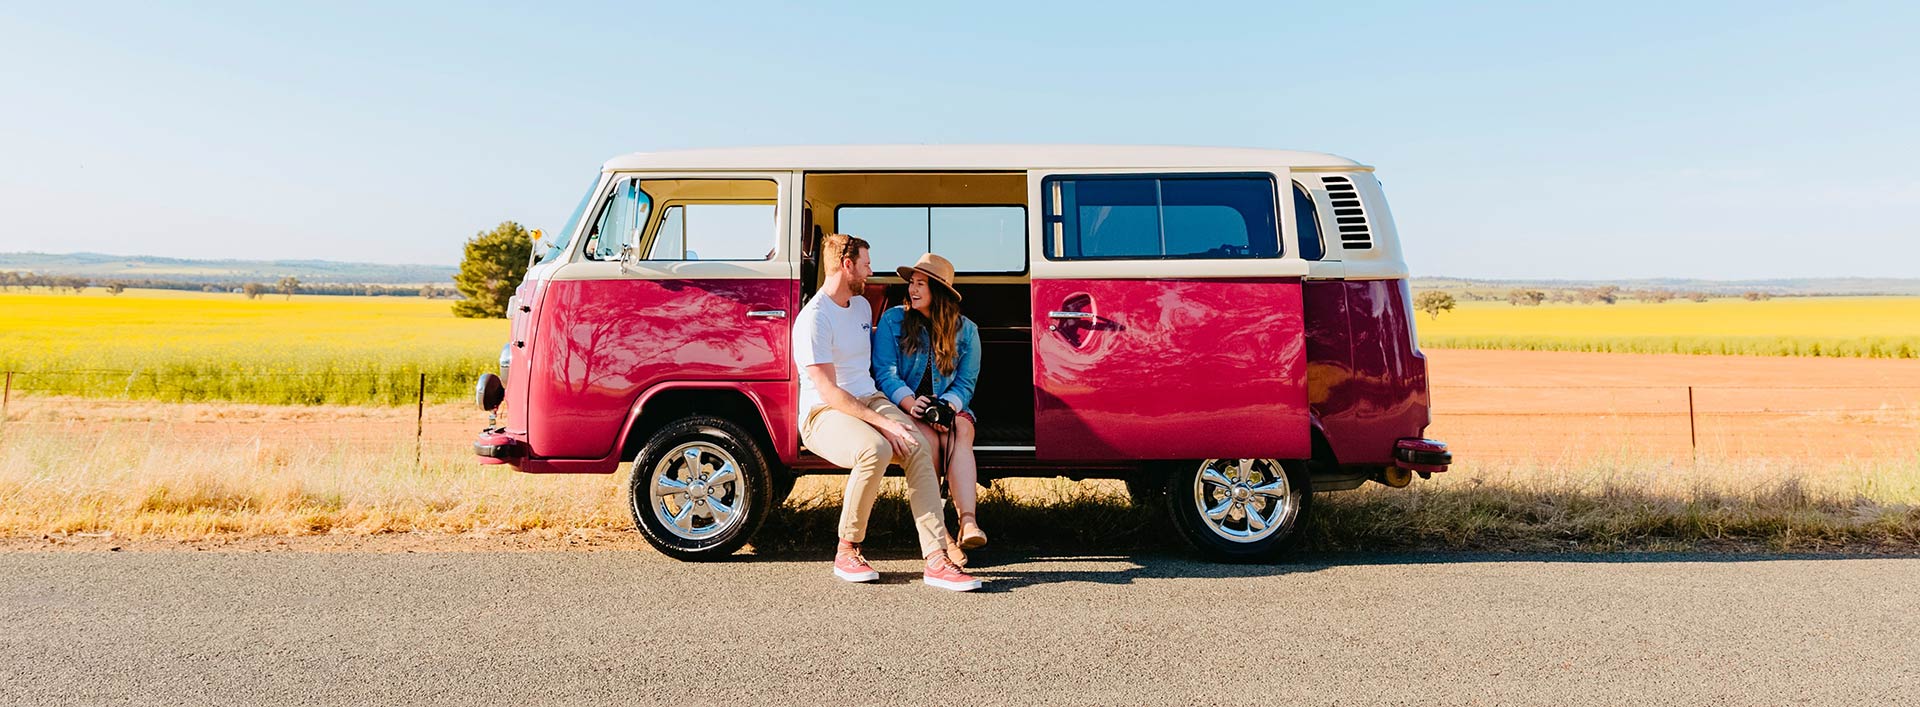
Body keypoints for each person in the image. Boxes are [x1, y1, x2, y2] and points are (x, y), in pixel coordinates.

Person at [793, 233, 981, 592]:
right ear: (847, 265)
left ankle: (937, 558)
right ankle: (847, 548)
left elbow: (877, 373)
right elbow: (831, 392)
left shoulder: (862, 308)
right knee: (875, 449)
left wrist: (892, 415)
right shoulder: (813, 319)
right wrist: (884, 422)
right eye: (865, 263)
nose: (871, 271)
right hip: (824, 411)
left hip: (869, 399)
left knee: (915, 444)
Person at [872, 253, 986, 566]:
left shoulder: (967, 331)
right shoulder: (893, 321)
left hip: (949, 406)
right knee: (927, 441)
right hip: (908, 407)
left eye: (921, 284)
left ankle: (968, 521)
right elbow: (885, 372)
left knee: (960, 430)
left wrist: (947, 406)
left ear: (939, 291)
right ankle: (943, 535)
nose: (913, 289)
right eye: (911, 283)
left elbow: (966, 383)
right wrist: (911, 403)